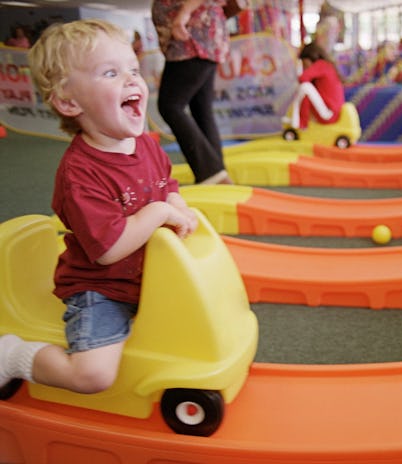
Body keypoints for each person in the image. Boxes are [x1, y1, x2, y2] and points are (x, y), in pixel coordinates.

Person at [0, 19, 198, 395]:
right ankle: (11, 356)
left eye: (133, 69)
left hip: (150, 276)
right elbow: (108, 251)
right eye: (110, 72)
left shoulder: (147, 146)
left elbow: (166, 185)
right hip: (104, 287)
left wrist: (176, 203)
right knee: (93, 376)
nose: (130, 80)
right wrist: (159, 212)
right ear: (69, 101)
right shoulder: (80, 175)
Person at [151, 0, 234, 185]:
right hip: (202, 37)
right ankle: (216, 173)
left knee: (170, 105)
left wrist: (184, 13)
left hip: (192, 39)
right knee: (201, 108)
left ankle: (212, 174)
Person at [286, 41, 345, 130]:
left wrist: (298, 68)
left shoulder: (321, 64)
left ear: (311, 57)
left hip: (329, 113)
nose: (305, 68)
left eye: (305, 64)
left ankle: (300, 122)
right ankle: (301, 121)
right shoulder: (328, 66)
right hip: (330, 113)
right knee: (306, 89)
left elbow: (302, 78)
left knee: (305, 86)